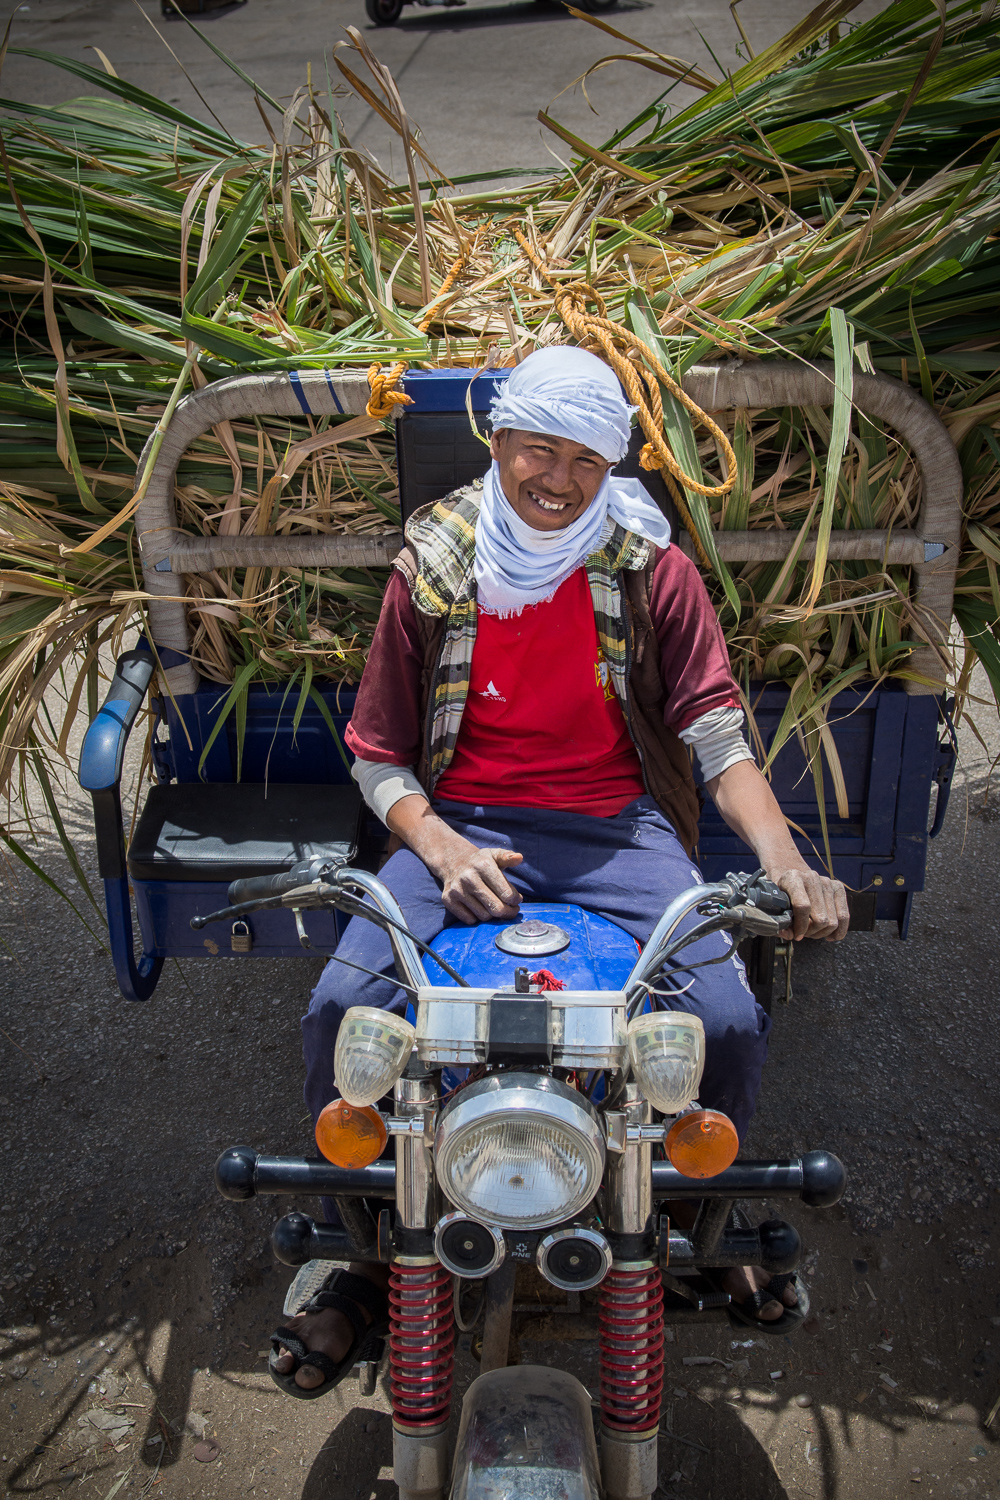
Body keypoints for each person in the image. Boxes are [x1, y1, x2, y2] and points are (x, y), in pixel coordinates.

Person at [270, 345, 849, 1397]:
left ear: (610, 466)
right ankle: (365, 1254)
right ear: (497, 443)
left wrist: (784, 859)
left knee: (718, 1019)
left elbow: (718, 738)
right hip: (460, 827)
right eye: (538, 449)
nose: (558, 480)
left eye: (585, 459)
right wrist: (438, 847)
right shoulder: (436, 565)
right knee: (343, 1013)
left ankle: (681, 1223)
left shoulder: (647, 564)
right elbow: (377, 755)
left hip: (615, 831)